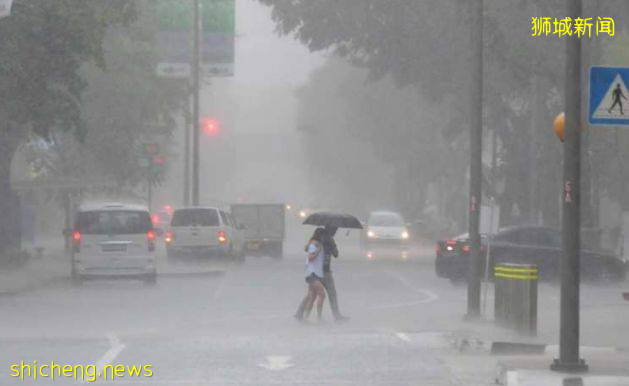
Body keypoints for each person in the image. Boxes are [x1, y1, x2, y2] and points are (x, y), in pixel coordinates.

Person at [295, 225, 349, 322]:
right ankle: (302, 313)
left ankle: (301, 313)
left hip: (323, 271)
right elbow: (310, 250)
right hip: (320, 271)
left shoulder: (328, 241)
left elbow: (335, 254)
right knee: (317, 294)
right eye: (334, 230)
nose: (335, 232)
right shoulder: (320, 240)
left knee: (321, 294)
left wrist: (331, 245)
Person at [296, 228, 326, 322]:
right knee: (322, 294)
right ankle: (319, 318)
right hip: (312, 274)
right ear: (320, 235)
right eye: (323, 235)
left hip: (314, 273)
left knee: (312, 296)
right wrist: (318, 250)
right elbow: (310, 257)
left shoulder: (315, 244)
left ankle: (305, 317)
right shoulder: (314, 245)